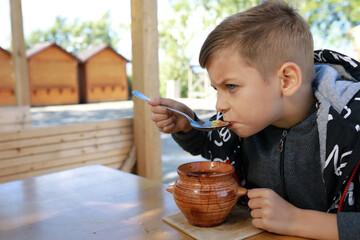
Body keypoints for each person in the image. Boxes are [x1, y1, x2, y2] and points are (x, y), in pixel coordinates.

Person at [147, 0, 360, 239]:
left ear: (287, 80)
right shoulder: (248, 119)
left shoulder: (351, 128)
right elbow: (213, 146)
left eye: (231, 86)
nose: (219, 104)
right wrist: (187, 126)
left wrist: (296, 221)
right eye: (217, 89)